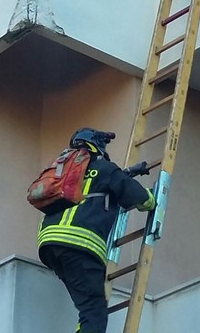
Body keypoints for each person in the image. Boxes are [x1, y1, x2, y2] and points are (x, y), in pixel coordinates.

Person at [38, 127, 156, 333]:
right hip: (79, 244)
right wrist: (153, 198)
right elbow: (141, 199)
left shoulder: (64, 173)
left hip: (50, 246)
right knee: (94, 310)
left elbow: (95, 187)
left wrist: (127, 173)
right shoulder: (105, 168)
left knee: (87, 308)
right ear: (97, 147)